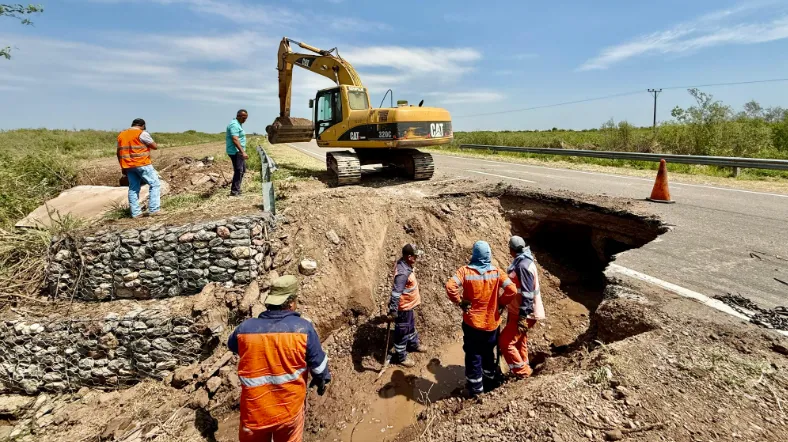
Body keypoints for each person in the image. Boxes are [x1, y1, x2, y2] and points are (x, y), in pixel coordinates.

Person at [228, 275, 331, 442]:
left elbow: (232, 345)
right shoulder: (303, 330)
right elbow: (319, 367)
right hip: (288, 412)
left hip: (254, 414)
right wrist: (322, 380)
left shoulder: (245, 329)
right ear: (291, 304)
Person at [445, 241, 517, 397]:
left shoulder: (465, 272)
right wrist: (501, 303)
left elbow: (450, 286)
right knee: (488, 352)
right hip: (492, 324)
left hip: (473, 324)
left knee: (473, 355)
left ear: (474, 254)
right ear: (489, 255)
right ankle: (490, 380)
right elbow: (512, 289)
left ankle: (476, 390)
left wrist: (459, 301)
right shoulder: (497, 272)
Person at [499, 236, 545, 378]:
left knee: (505, 342)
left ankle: (522, 373)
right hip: (517, 310)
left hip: (524, 312)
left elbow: (527, 293)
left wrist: (523, 317)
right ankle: (524, 364)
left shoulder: (523, 266)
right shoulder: (523, 260)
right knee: (520, 340)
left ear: (512, 250)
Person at [387, 244, 427, 368]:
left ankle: (413, 344)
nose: (417, 258)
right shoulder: (403, 273)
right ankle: (401, 356)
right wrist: (393, 310)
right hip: (403, 308)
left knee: (410, 327)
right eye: (415, 256)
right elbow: (395, 293)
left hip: (409, 306)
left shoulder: (406, 265)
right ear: (409, 257)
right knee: (402, 332)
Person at [117, 118, 161, 218]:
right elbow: (154, 146)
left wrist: (122, 167)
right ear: (143, 125)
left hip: (128, 165)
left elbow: (118, 153)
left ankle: (136, 213)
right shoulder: (142, 133)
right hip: (142, 164)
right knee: (155, 184)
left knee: (133, 189)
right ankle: (154, 209)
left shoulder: (121, 134)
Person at [226, 109, 249, 196]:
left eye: (246, 118)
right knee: (239, 170)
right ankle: (234, 191)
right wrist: (242, 152)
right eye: (243, 117)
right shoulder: (234, 125)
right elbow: (235, 139)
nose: (245, 120)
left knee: (242, 170)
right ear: (238, 116)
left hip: (238, 151)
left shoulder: (238, 124)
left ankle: (237, 189)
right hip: (235, 151)